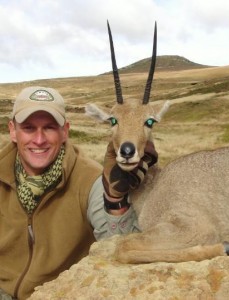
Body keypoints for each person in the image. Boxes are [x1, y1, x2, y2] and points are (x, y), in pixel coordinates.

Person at [0, 86, 157, 300]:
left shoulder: (90, 179)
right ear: (12, 131)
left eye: (49, 128)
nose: (39, 140)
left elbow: (121, 249)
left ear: (65, 131)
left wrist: (114, 198)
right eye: (28, 128)